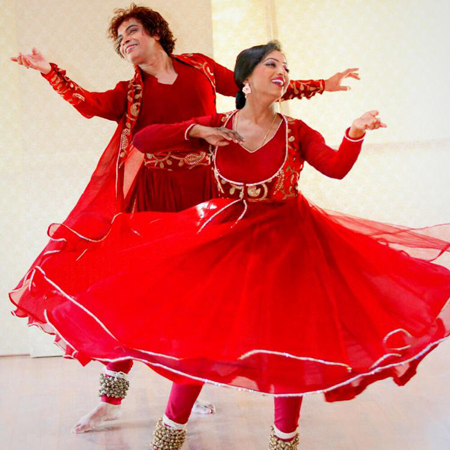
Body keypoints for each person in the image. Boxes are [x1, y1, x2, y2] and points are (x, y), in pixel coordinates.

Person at [11, 40, 450, 449]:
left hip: (291, 244)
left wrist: (355, 132)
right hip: (227, 239)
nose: (282, 72)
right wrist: (196, 134)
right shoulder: (217, 125)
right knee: (199, 335)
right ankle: (170, 433)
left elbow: (335, 168)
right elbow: (144, 140)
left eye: (285, 67)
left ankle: (284, 438)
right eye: (271, 64)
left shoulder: (296, 131)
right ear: (246, 79)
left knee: (289, 340)